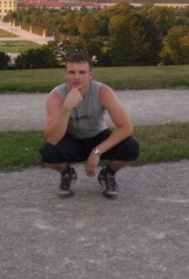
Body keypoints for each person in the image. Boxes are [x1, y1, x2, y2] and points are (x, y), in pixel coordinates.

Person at [39, 52, 139, 198]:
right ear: (65, 74)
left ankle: (108, 174)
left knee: (131, 148)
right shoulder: (56, 95)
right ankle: (67, 174)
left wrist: (97, 151)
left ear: (90, 74)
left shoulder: (103, 91)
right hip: (71, 139)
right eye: (71, 72)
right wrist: (66, 108)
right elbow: (52, 138)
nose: (76, 77)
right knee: (48, 154)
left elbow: (126, 127)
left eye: (82, 72)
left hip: (97, 135)